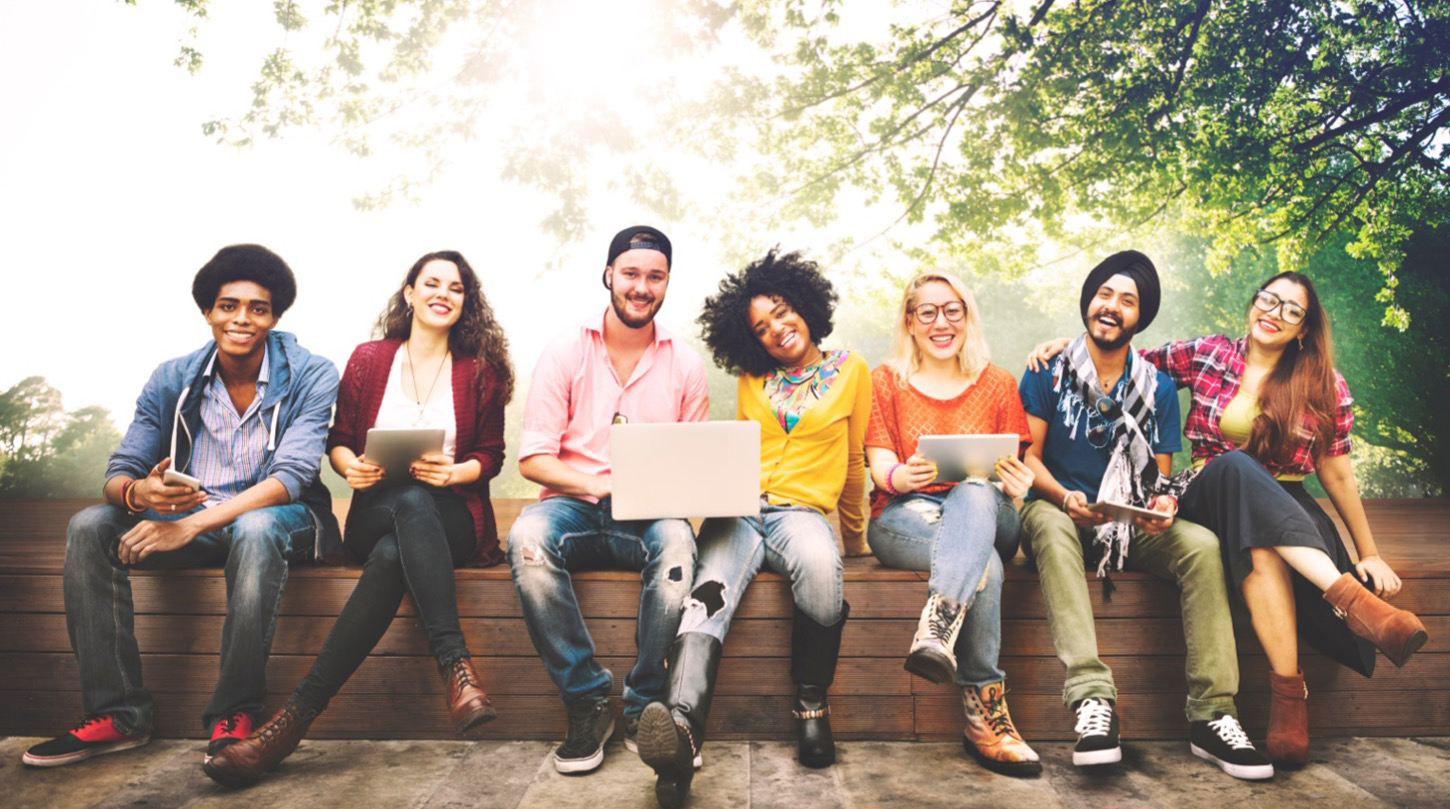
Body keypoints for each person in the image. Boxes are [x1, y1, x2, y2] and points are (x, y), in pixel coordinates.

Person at [1032, 270, 1428, 768]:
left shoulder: (1324, 383)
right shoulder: (1210, 354)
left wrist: (1368, 551)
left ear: (1304, 328)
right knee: (1235, 465)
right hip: (1205, 489)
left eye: (1290, 309)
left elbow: (1339, 476)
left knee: (1259, 541)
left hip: (1285, 506)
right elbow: (1122, 358)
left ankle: (1289, 696)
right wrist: (1067, 349)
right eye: (1268, 299)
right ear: (1253, 303)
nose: (1273, 312)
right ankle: (1360, 608)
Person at [202, 251, 515, 786]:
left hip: (453, 518)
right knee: (404, 509)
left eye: (456, 287)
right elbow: (339, 440)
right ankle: (456, 667)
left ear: (466, 302)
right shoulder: (371, 359)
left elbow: (491, 454)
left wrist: (456, 472)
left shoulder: (479, 370)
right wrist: (353, 468)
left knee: (407, 533)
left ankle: (288, 726)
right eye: (431, 283)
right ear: (410, 293)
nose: (443, 293)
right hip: (376, 510)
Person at [22, 245, 340, 770]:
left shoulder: (311, 373)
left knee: (256, 527)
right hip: (191, 518)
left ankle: (234, 713)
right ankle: (118, 714)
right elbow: (121, 468)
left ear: (275, 317)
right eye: (228, 305)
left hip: (285, 520)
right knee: (89, 525)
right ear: (208, 312)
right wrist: (136, 495)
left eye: (257, 309)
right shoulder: (173, 376)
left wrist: (187, 525)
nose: (242, 319)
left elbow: (292, 477)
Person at [1017, 251, 1273, 780]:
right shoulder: (1048, 368)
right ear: (1088, 302)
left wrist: (1160, 506)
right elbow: (1027, 457)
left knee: (1200, 544)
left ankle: (1213, 713)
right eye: (1104, 295)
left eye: (1127, 301)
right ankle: (1092, 701)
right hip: (1062, 513)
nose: (1111, 307)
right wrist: (1066, 497)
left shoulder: (1155, 386)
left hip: (1125, 525)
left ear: (1141, 316)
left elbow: (1157, 478)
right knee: (1043, 520)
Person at [637, 249, 869, 809]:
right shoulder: (751, 379)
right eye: (761, 328)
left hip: (802, 514)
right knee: (706, 595)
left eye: (783, 313)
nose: (777, 330)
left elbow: (856, 461)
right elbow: (738, 451)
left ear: (807, 307)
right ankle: (682, 729)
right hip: (739, 510)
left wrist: (857, 537)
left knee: (819, 565)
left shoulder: (852, 371)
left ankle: (812, 704)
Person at [507, 226, 708, 776]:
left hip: (646, 516)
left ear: (667, 283)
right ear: (608, 275)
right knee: (527, 537)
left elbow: (693, 465)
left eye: (655, 276)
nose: (642, 287)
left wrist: (674, 489)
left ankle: (645, 704)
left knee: (675, 544)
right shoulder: (565, 351)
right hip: (572, 505)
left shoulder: (686, 365)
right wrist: (598, 484)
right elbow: (533, 460)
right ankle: (588, 700)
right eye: (631, 274)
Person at [863, 272, 1040, 776]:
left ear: (967, 316)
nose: (942, 323)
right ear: (910, 321)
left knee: (976, 490)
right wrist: (902, 474)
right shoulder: (886, 381)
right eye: (928, 312)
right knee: (981, 562)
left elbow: (1015, 470)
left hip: (992, 513)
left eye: (953, 310)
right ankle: (986, 718)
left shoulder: (999, 383)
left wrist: (1016, 483)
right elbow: (881, 470)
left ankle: (938, 625)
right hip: (906, 517)